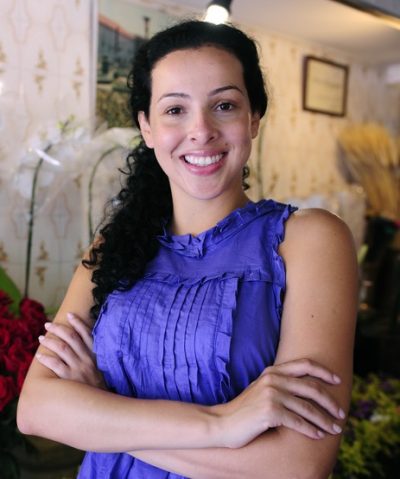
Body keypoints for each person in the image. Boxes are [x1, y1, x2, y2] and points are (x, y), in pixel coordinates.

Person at [17, 20, 358, 479]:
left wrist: (103, 410)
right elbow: (36, 410)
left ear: (254, 118)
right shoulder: (113, 246)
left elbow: (298, 464)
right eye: (175, 109)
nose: (200, 130)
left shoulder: (309, 240)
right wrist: (221, 424)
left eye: (224, 105)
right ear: (147, 127)